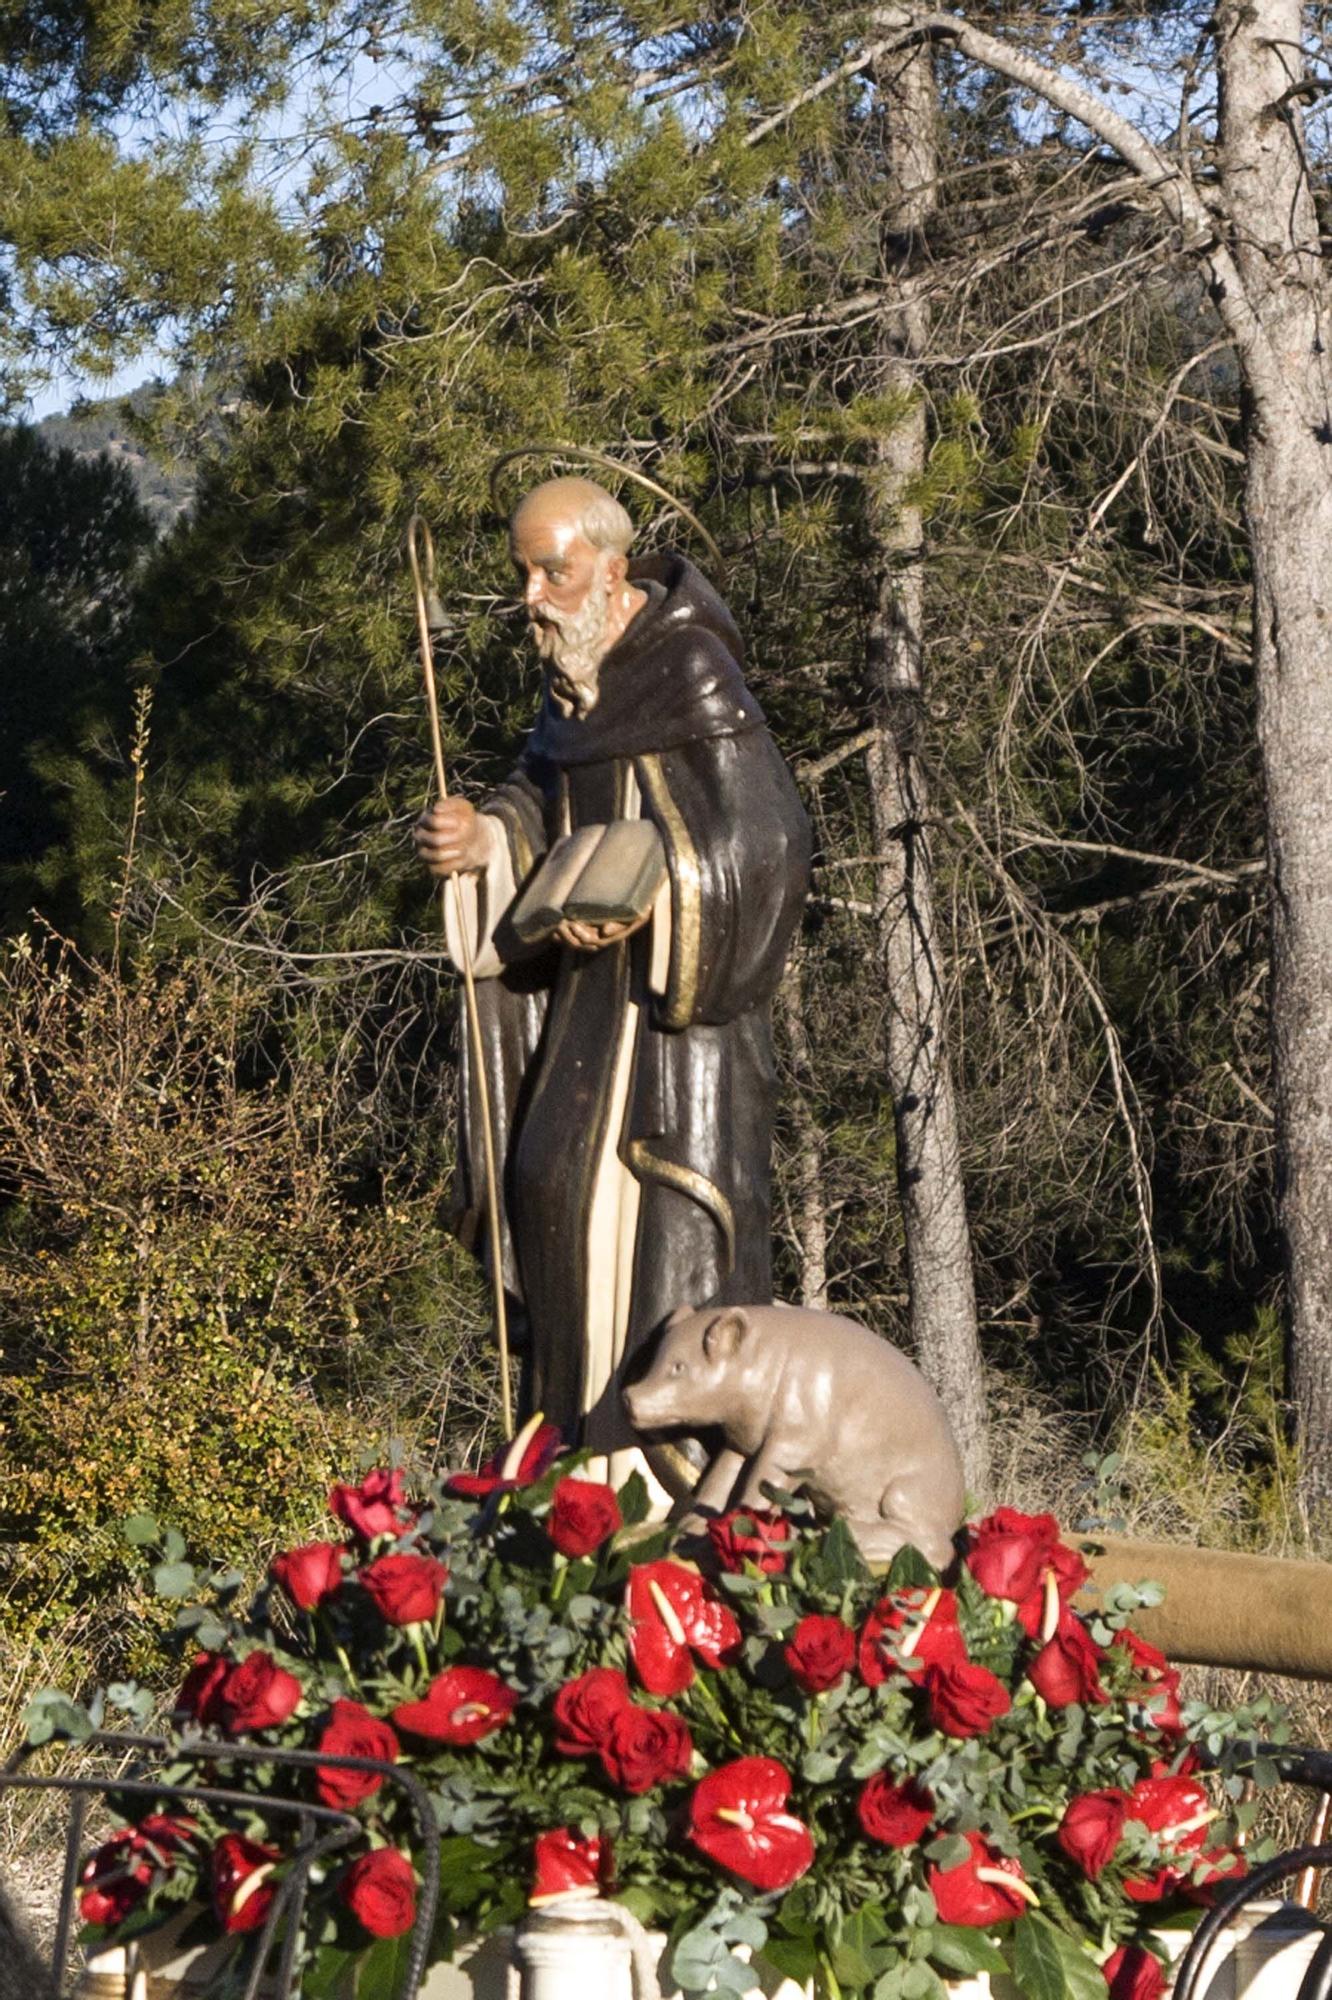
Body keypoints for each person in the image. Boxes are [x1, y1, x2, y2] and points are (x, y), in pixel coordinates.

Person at [415, 476, 810, 1495]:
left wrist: (659, 899)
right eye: (524, 574)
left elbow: (767, 844)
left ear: (614, 565)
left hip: (682, 1050)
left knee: (659, 1255)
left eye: (554, 569)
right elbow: (535, 804)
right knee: (546, 1189)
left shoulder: (689, 668)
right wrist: (484, 841)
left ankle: (660, 1493)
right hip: (587, 1028)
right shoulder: (568, 691)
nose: (535, 596)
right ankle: (568, 1492)